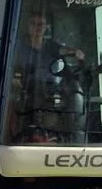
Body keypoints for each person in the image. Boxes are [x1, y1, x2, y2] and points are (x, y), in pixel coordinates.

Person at [7, 11, 87, 143]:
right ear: (27, 26)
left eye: (41, 24)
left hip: (53, 89)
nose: (37, 28)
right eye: (33, 24)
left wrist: (75, 52)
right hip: (27, 89)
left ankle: (73, 138)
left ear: (46, 28)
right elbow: (11, 72)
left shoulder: (51, 46)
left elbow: (63, 50)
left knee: (76, 91)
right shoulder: (18, 48)